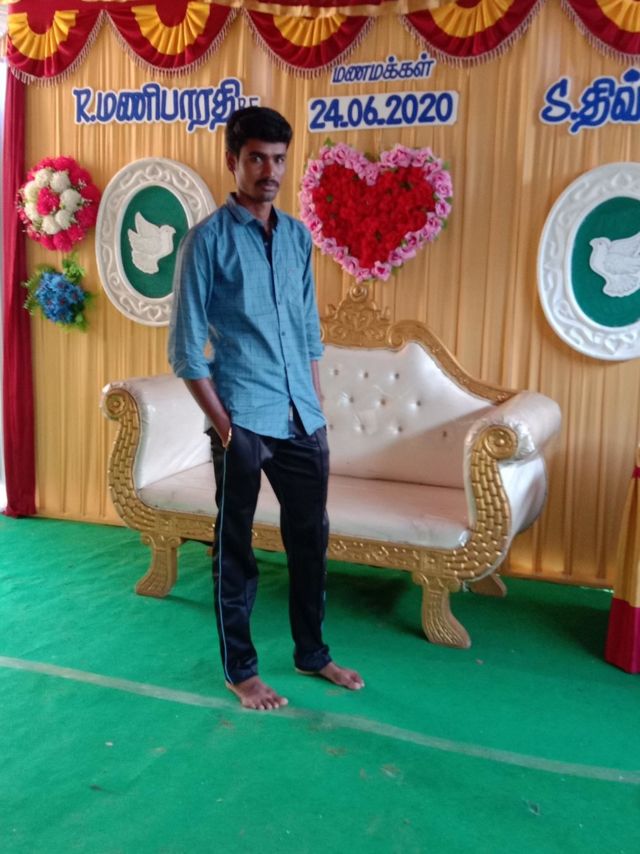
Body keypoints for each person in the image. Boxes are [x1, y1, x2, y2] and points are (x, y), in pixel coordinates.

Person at [168, 106, 364, 711]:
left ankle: (312, 653)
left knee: (310, 543)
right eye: (257, 158)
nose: (269, 171)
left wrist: (316, 400)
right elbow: (185, 352)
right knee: (236, 552)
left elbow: (307, 330)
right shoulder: (206, 241)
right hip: (244, 421)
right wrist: (226, 428)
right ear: (233, 160)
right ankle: (242, 671)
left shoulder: (298, 237)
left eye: (279, 159)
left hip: (302, 418)